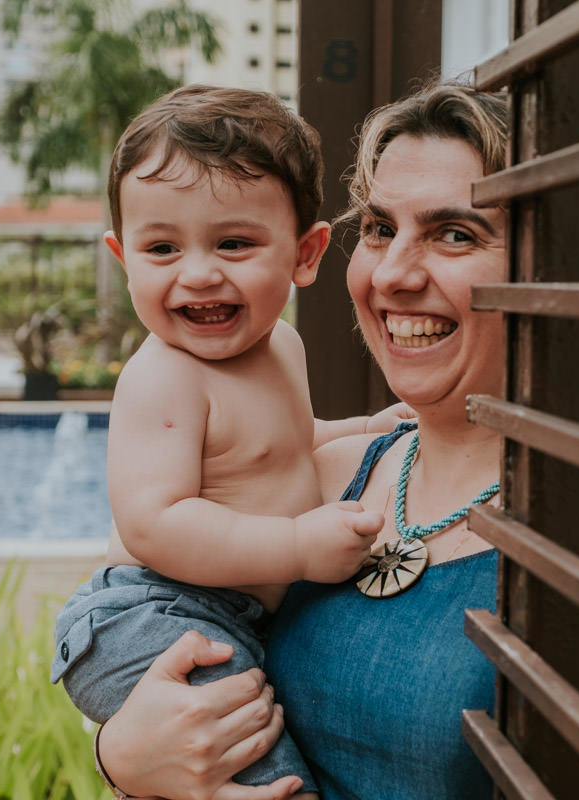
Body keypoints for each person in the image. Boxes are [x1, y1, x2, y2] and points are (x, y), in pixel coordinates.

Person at [91, 81, 510, 800]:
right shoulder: (327, 476)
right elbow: (147, 589)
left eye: (454, 234)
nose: (394, 273)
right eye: (379, 228)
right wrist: (122, 756)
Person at [49, 85, 412, 798]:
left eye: (234, 243)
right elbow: (155, 523)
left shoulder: (282, 345)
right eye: (162, 247)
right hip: (150, 613)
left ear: (306, 254)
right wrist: (299, 547)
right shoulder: (163, 378)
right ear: (126, 259)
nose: (198, 272)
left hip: (226, 616)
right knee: (253, 755)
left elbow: (286, 444)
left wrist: (363, 429)